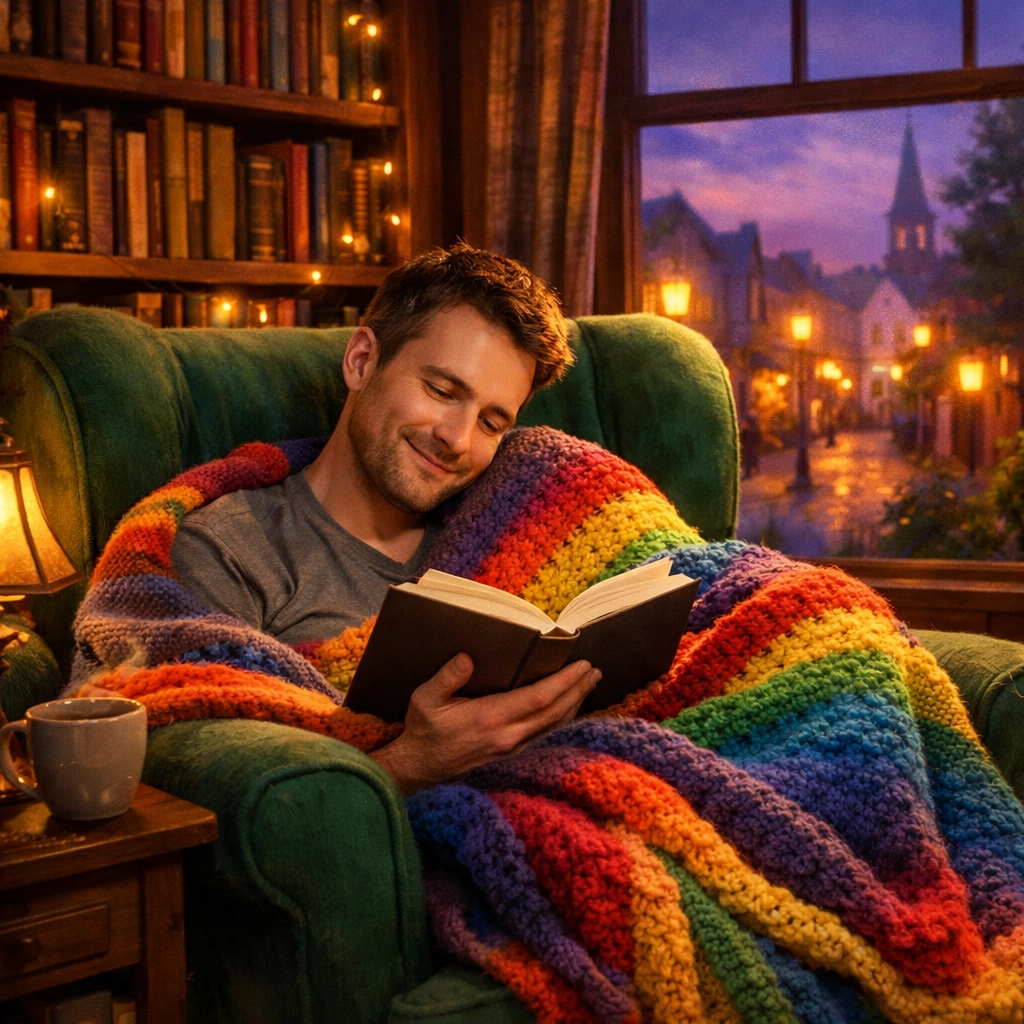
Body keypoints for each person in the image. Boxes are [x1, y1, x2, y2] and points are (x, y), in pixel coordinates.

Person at [171, 244, 602, 795]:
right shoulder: (229, 551)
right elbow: (223, 798)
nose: (458, 439)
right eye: (442, 391)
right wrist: (411, 763)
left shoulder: (514, 527)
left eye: (492, 423)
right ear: (361, 361)